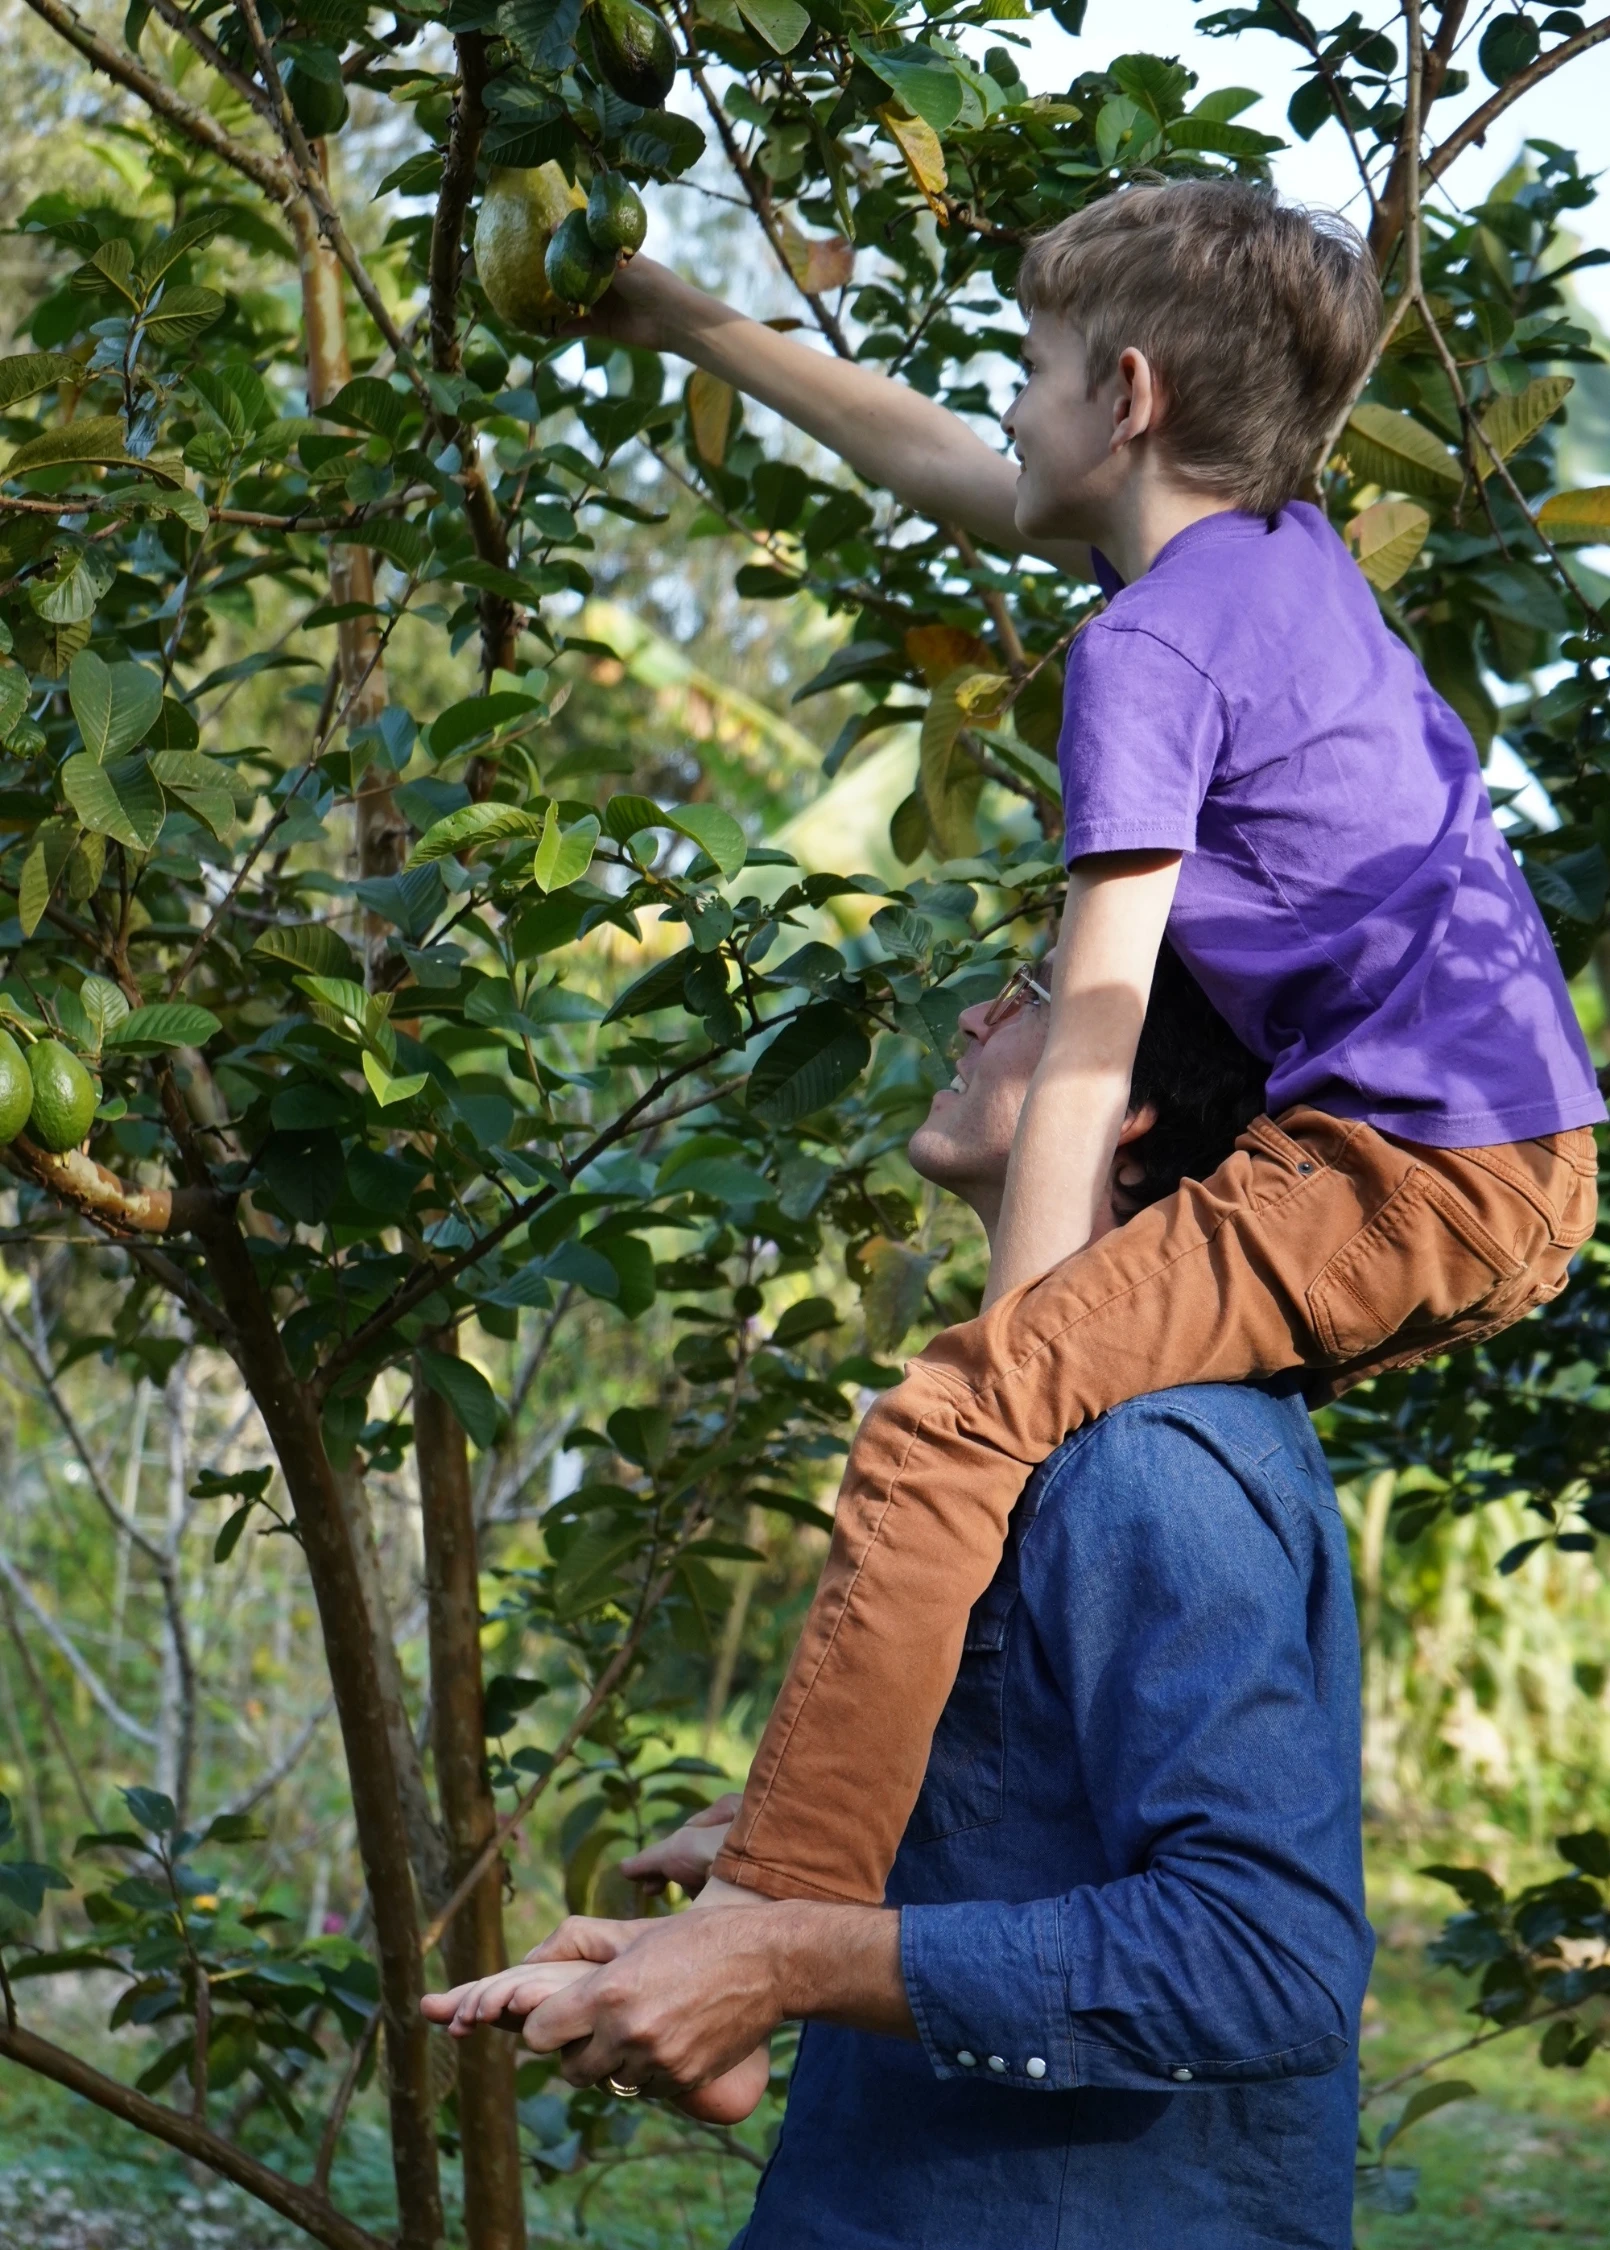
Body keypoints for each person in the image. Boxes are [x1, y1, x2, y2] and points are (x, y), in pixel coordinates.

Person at [556, 178, 1602, 1916]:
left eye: (1031, 367)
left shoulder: (1149, 647)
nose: (1009, 410)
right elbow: (960, 476)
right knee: (1043, 1457)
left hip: (1402, 1170)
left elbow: (1094, 1026)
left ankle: (763, 1920)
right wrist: (688, 320)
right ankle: (888, 1835)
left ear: (1122, 400)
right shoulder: (1271, 557)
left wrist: (1011, 1341)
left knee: (951, 1426)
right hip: (1496, 1164)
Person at [424, 955, 1376, 2247]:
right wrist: (813, 1879)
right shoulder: (1056, 1442)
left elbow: (1264, 1959)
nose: (973, 1012)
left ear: (1125, 1108)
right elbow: (1058, 1822)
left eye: (1031, 990)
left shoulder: (1146, 1460)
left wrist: (784, 1957)